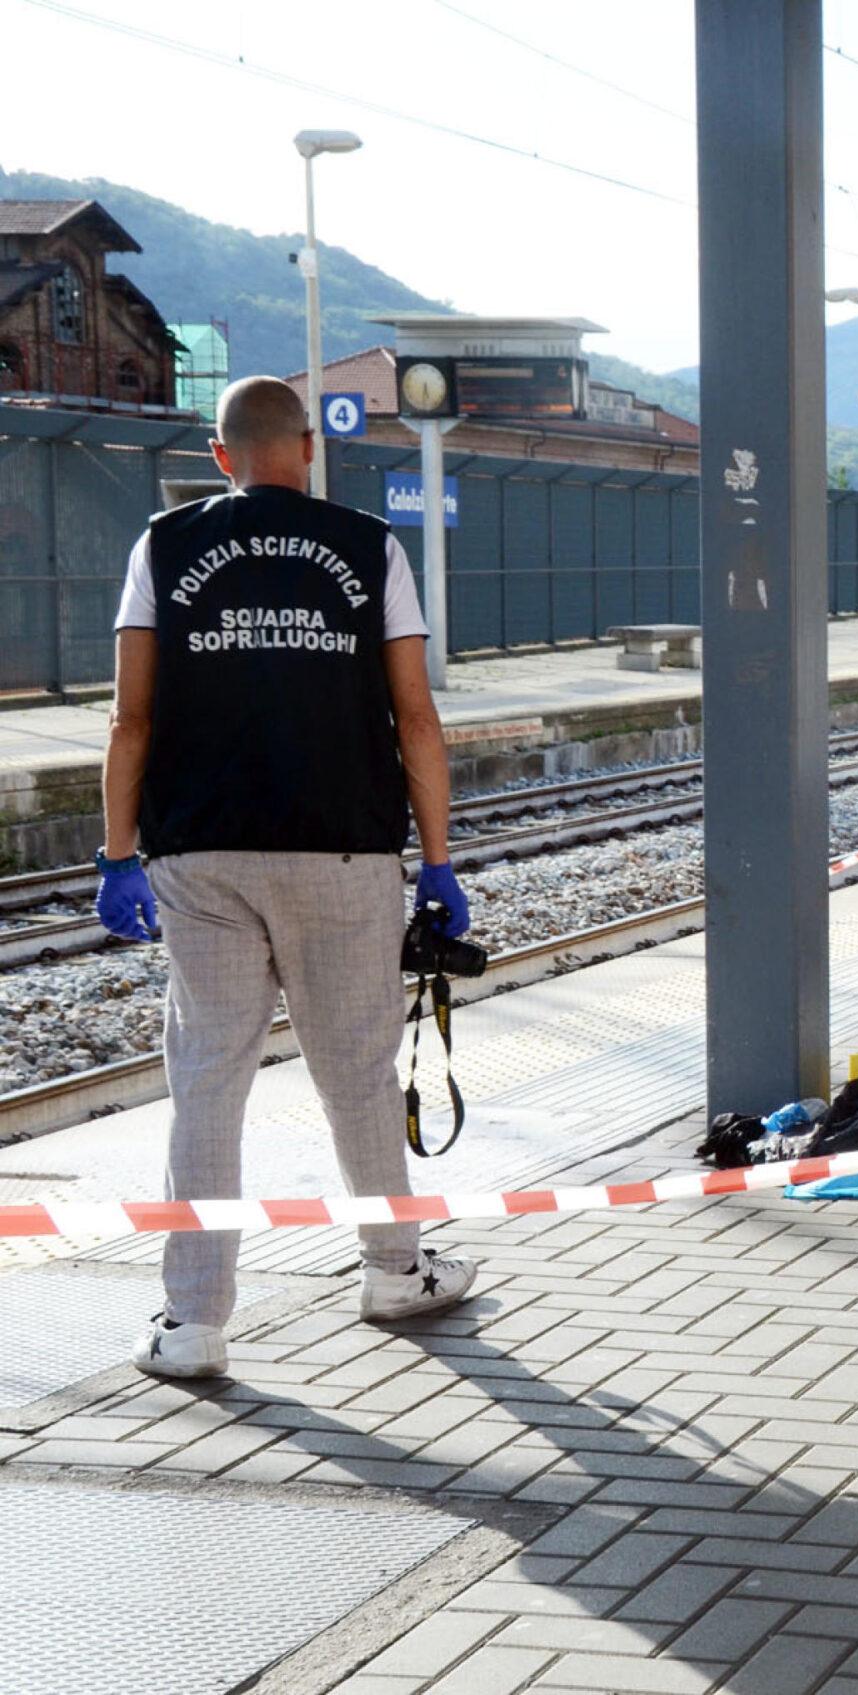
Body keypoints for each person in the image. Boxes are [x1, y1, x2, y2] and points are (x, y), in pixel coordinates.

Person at [98, 376, 482, 1380]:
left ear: (222, 457)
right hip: (342, 849)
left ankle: (192, 1326)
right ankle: (395, 1270)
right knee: (354, 1069)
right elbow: (417, 719)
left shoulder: (162, 546)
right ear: (306, 450)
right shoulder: (369, 547)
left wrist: (116, 854)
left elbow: (129, 720)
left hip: (200, 854)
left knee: (209, 1079)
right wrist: (437, 860)